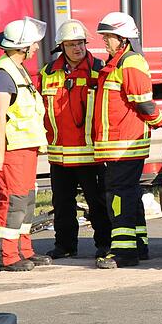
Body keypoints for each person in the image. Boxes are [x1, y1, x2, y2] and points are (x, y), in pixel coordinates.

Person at [91, 12, 162, 269]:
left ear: (123, 38)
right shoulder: (116, 63)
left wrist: (159, 120)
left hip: (124, 146)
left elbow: (143, 102)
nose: (104, 41)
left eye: (108, 37)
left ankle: (124, 253)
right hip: (117, 146)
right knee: (129, 195)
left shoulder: (130, 62)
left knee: (119, 199)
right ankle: (139, 246)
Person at [39, 19, 112, 262]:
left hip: (90, 153)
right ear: (61, 46)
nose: (77, 48)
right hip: (59, 154)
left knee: (97, 202)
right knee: (62, 204)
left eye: (80, 43)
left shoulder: (99, 70)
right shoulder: (48, 73)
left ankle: (104, 244)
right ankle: (65, 245)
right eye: (71, 44)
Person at [0, 17, 53, 271]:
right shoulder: (4, 73)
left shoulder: (17, 68)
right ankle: (5, 257)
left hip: (26, 147)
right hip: (12, 148)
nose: (36, 47)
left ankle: (23, 250)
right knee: (12, 201)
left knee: (26, 200)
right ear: (22, 47)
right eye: (33, 43)